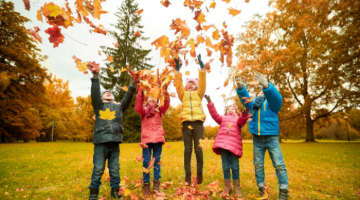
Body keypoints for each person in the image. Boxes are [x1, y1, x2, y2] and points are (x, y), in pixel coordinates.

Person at [235, 73, 289, 200]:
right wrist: (240, 87)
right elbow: (245, 99)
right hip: (257, 139)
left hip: (271, 138)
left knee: (279, 164)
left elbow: (277, 98)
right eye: (261, 88)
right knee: (258, 165)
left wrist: (267, 86)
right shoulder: (254, 103)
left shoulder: (273, 103)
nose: (262, 91)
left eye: (264, 89)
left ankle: (283, 191)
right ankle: (261, 188)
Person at [88, 69, 136, 200]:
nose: (108, 93)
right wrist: (95, 77)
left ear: (114, 98)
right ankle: (93, 194)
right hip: (101, 143)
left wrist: (132, 85)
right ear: (101, 98)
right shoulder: (99, 106)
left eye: (110, 93)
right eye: (105, 93)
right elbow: (95, 94)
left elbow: (127, 98)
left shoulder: (119, 107)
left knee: (114, 169)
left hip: (115, 142)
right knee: (98, 169)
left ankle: (115, 191)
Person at [205, 95, 249, 198]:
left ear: (236, 111)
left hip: (234, 146)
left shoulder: (238, 119)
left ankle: (237, 187)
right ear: (225, 111)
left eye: (232, 108)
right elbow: (214, 115)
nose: (230, 109)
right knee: (225, 167)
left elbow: (242, 120)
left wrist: (245, 114)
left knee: (235, 167)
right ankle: (227, 187)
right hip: (223, 146)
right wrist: (210, 103)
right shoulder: (222, 119)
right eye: (228, 108)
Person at [134, 85, 174, 197]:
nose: (152, 98)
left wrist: (165, 91)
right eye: (150, 96)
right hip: (146, 141)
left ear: (158, 99)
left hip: (158, 140)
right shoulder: (143, 110)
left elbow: (166, 104)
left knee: (157, 161)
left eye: (154, 96)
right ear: (146, 99)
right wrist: (140, 93)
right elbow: (137, 107)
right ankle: (146, 184)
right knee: (146, 162)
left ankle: (156, 183)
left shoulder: (159, 110)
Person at [174, 54, 206, 185]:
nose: (191, 84)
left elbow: (203, 83)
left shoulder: (200, 93)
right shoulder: (183, 94)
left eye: (194, 83)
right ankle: (188, 176)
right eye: (189, 83)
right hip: (186, 123)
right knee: (188, 149)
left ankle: (199, 175)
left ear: (196, 86)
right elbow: (178, 85)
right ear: (186, 86)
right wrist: (177, 70)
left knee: (198, 149)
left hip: (198, 123)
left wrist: (202, 68)